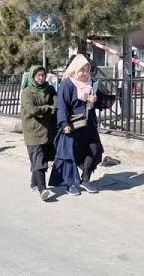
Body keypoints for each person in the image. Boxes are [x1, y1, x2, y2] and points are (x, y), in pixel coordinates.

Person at [49, 54, 104, 196]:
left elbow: (101, 102)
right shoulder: (67, 84)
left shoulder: (91, 83)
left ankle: (85, 179)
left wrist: (94, 100)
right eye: (82, 70)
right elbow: (61, 106)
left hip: (88, 124)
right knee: (69, 155)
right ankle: (70, 184)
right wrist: (64, 123)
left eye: (87, 70)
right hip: (72, 125)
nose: (85, 73)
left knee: (94, 150)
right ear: (74, 70)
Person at [20, 65, 57, 202]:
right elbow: (32, 110)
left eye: (43, 75)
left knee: (41, 159)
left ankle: (34, 183)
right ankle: (43, 189)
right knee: (39, 159)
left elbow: (57, 102)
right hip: (33, 131)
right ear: (33, 77)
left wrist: (55, 106)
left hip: (47, 130)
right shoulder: (27, 92)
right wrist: (48, 108)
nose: (41, 78)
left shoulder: (49, 89)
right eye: (38, 76)